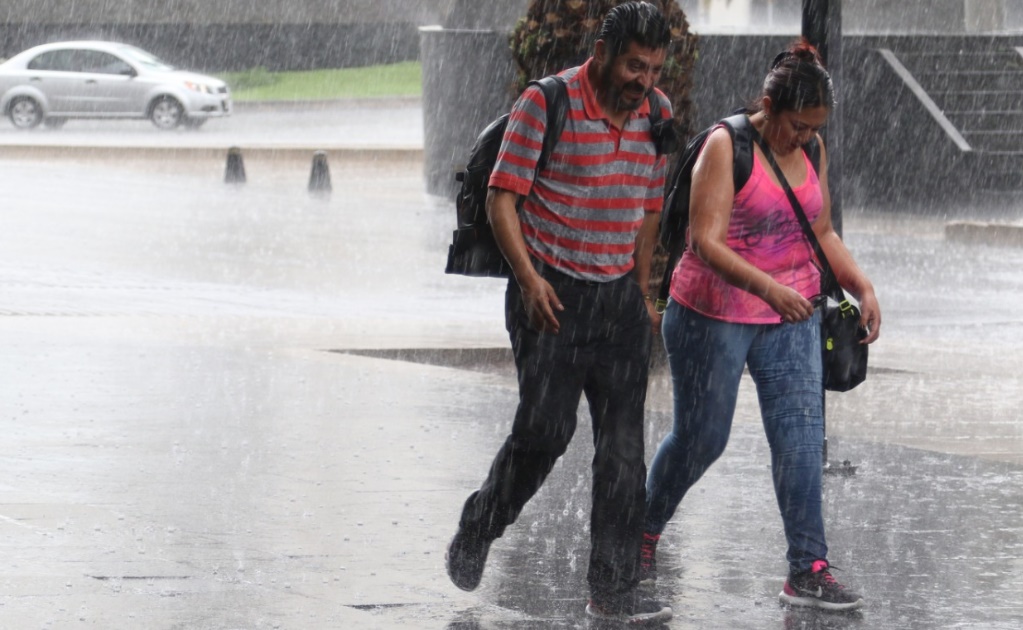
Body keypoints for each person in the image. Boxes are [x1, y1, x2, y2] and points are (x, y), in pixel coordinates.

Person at [444, 2, 676, 625]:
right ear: (601, 54)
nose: (643, 80)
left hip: (617, 303)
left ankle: (613, 591)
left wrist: (643, 289)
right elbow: (502, 198)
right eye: (633, 65)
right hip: (548, 297)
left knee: (625, 456)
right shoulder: (545, 104)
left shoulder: (657, 113)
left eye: (653, 68)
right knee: (546, 434)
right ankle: (480, 522)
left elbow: (650, 206)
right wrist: (528, 279)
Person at [640, 40, 881, 612]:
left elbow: (819, 232)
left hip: (789, 314)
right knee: (702, 440)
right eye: (797, 125)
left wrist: (861, 286)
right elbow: (706, 242)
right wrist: (769, 287)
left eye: (813, 128)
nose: (804, 138)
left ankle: (807, 567)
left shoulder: (812, 145)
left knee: (800, 438)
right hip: (711, 311)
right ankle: (641, 531)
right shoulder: (727, 147)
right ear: (769, 106)